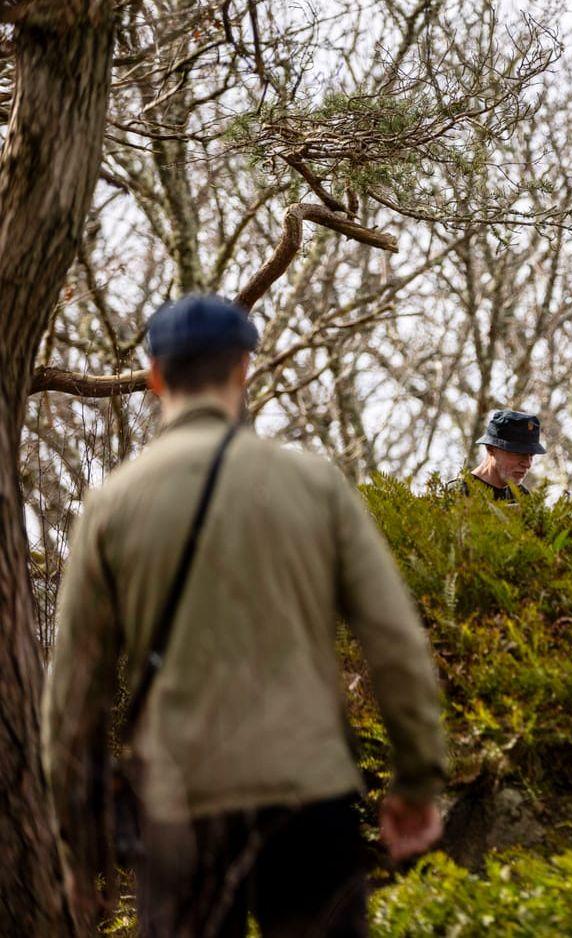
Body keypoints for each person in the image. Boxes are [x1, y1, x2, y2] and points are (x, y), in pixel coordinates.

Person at [43, 294, 446, 938]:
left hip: (180, 809)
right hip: (310, 797)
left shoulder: (110, 507)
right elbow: (394, 642)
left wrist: (77, 850)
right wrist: (417, 780)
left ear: (153, 377)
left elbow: (73, 697)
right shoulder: (314, 486)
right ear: (244, 371)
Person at [447, 409, 546, 501]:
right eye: (518, 453)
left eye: (531, 455)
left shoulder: (522, 496)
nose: (527, 464)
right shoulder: (457, 493)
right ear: (490, 448)